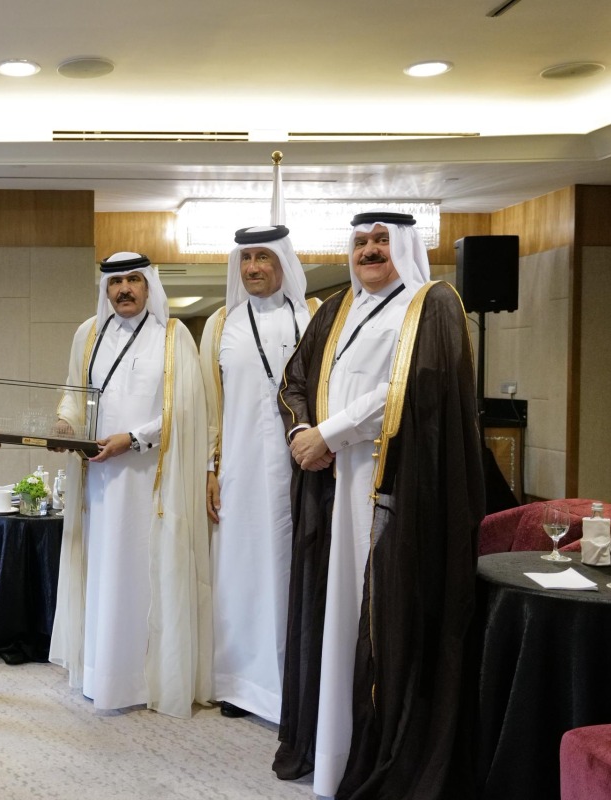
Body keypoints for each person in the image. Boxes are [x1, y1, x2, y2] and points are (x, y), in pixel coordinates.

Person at [272, 212, 484, 799]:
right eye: (361, 242)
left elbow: (412, 385)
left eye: (381, 242)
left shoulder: (430, 304)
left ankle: (373, 748)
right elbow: (293, 379)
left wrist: (329, 433)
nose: (369, 251)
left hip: (389, 489)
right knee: (331, 612)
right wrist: (302, 434)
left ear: (405, 247)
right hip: (328, 483)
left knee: (375, 617)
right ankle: (330, 746)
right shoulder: (336, 307)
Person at [49, 251, 211, 718]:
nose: (124, 290)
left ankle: (144, 679)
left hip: (149, 482)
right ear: (105, 288)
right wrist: (65, 424)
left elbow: (184, 409)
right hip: (98, 481)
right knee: (103, 570)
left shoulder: (173, 337)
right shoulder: (88, 334)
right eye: (116, 282)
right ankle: (102, 674)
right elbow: (73, 391)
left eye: (134, 280)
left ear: (149, 285)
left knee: (142, 571)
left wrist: (134, 439)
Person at [199, 225, 311, 723]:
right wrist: (209, 467)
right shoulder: (222, 324)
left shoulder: (311, 320)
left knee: (290, 571)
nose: (253, 269)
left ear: (283, 262)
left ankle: (291, 682)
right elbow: (207, 405)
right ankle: (239, 683)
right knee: (238, 574)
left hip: (299, 470)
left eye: (263, 258)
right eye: (245, 259)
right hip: (239, 470)